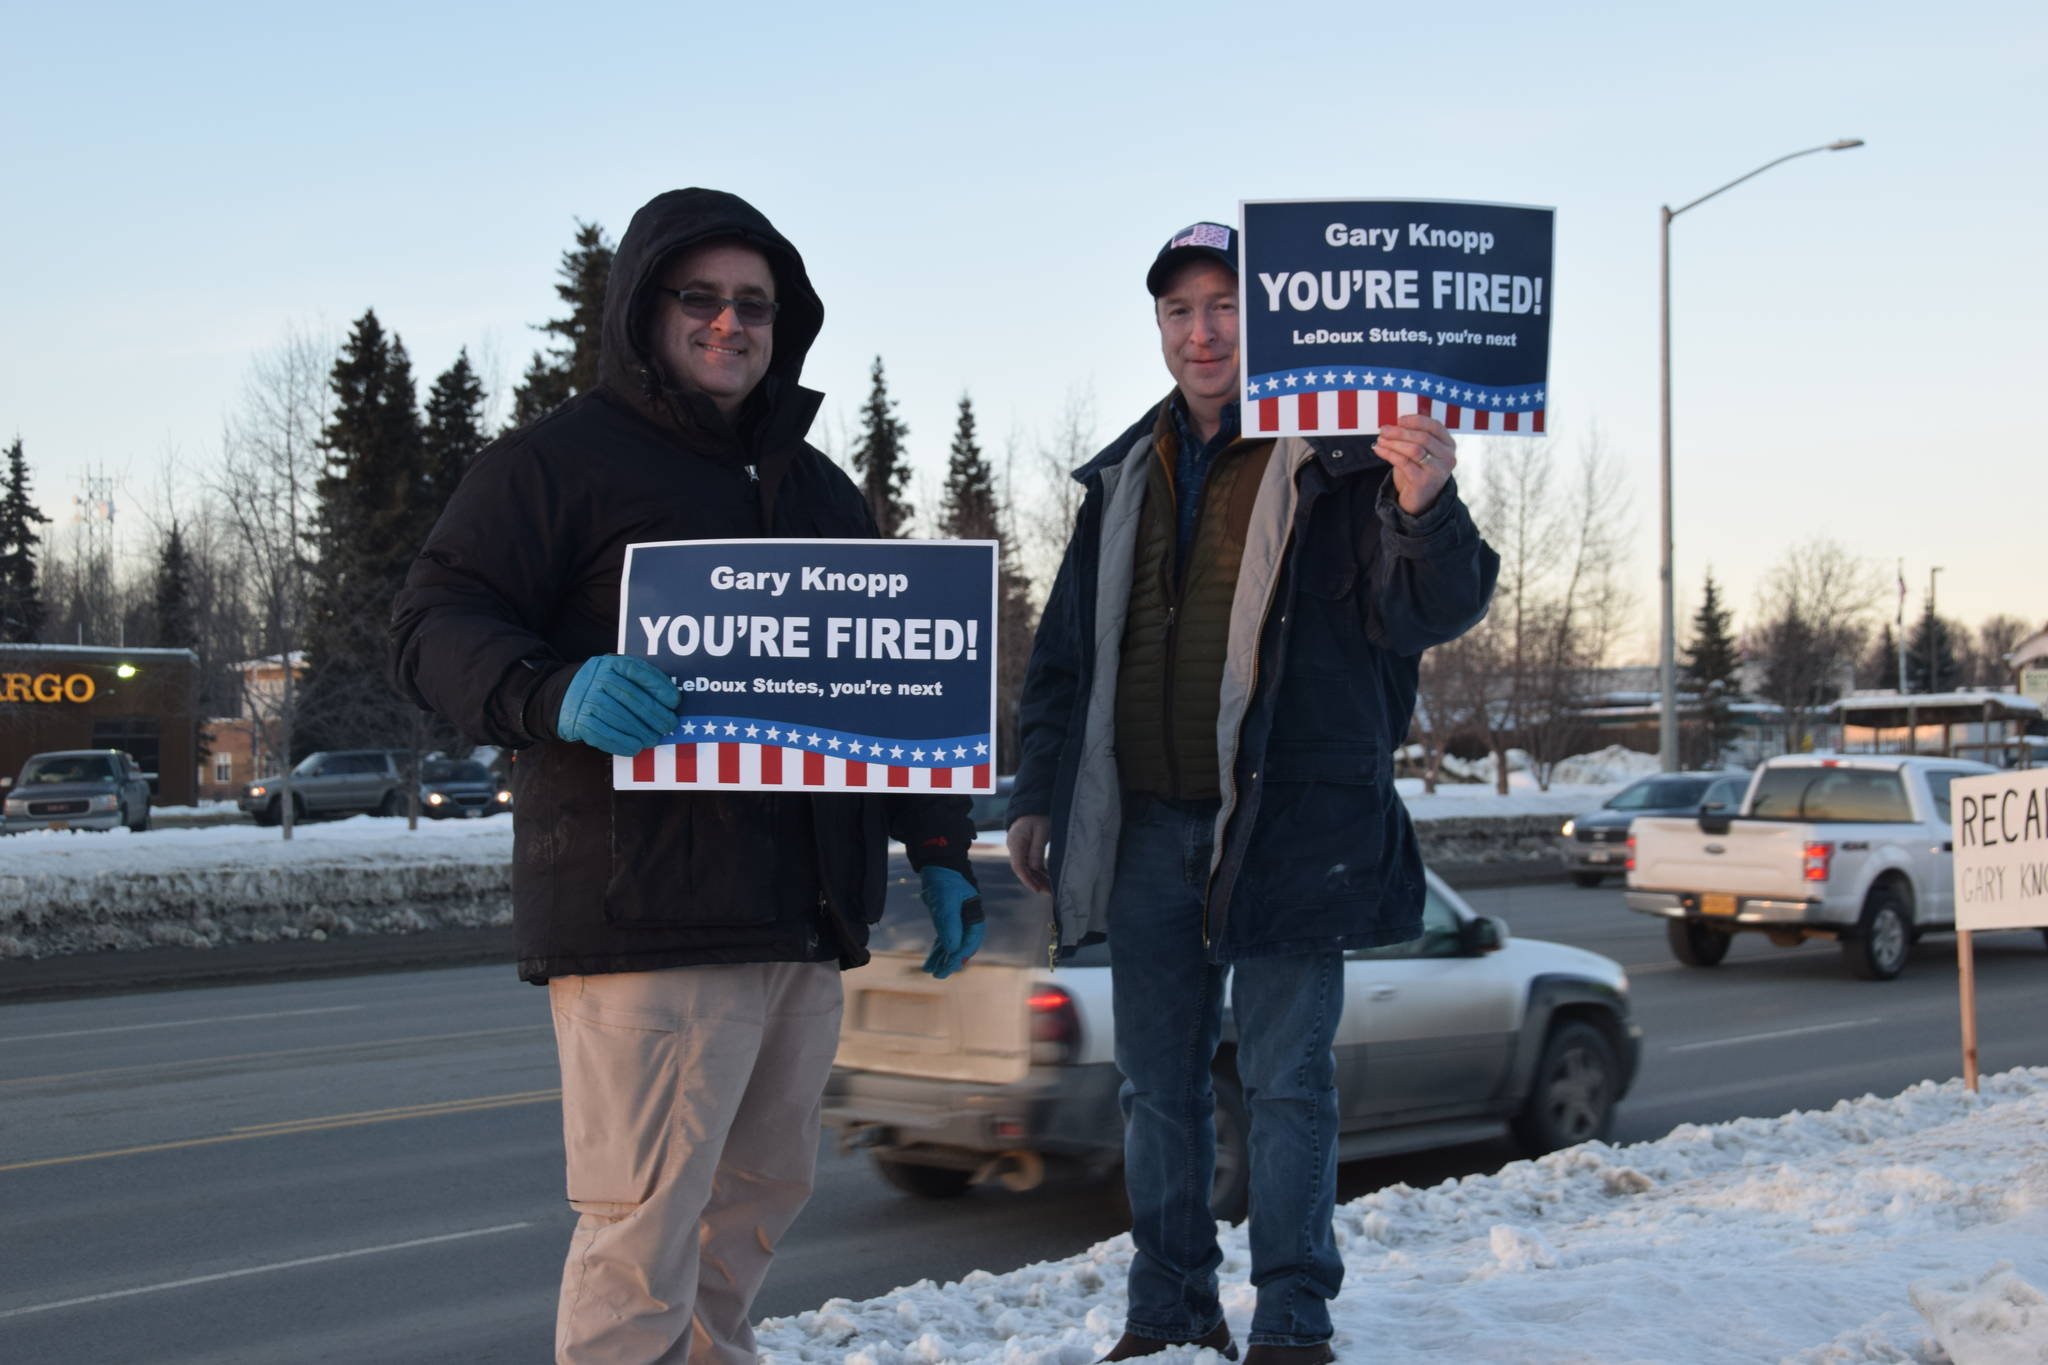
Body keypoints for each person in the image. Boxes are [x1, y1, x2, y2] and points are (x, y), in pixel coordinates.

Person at [390, 187, 984, 1365]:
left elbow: (888, 688)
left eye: (753, 305)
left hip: (801, 916)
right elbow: (431, 626)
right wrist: (549, 690)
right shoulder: (552, 466)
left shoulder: (815, 491)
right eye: (699, 298)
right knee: (640, 1233)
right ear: (643, 310)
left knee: (752, 1213)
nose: (728, 325)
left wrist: (936, 844)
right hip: (644, 915)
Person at [1006, 222, 1499, 1364]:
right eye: (1177, 312)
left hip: (1289, 828)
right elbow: (1066, 659)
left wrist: (1425, 502)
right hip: (1143, 828)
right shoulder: (1124, 474)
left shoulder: (1343, 461)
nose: (1200, 331)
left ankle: (1289, 1321)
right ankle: (1168, 1308)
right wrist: (1039, 793)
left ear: (1267, 320)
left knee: (1284, 1088)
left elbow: (1434, 608)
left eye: (1221, 305)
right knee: (1158, 1091)